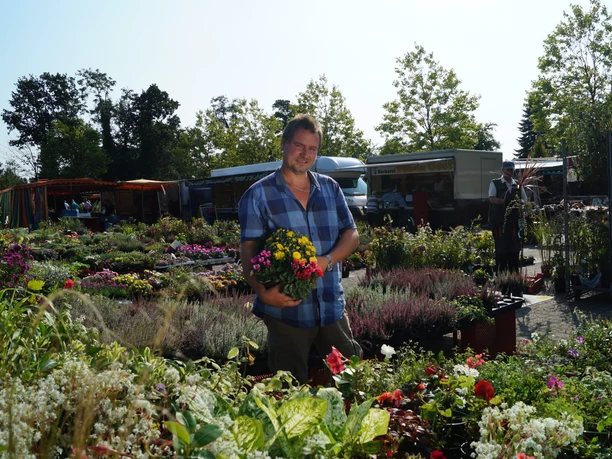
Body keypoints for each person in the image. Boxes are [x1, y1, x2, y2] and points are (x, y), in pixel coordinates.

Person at [239, 114, 362, 384]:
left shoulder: (330, 189)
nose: (305, 154)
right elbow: (248, 253)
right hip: (287, 311)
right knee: (289, 388)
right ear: (284, 144)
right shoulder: (258, 195)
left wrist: (326, 260)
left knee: (350, 380)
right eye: (298, 145)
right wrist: (263, 293)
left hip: (331, 307)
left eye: (312, 149)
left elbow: (352, 235)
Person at [488, 160, 527, 273]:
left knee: (514, 249)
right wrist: (505, 201)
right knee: (501, 249)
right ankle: (502, 276)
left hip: (514, 221)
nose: (510, 172)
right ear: (502, 170)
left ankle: (514, 275)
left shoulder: (517, 185)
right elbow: (491, 198)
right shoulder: (495, 183)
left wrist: (519, 204)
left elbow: (524, 200)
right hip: (499, 222)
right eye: (507, 169)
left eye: (511, 169)